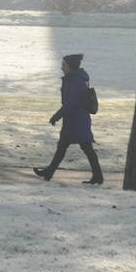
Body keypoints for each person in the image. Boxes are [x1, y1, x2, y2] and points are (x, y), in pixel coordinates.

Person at [34, 53, 103, 185]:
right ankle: (49, 172)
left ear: (70, 66)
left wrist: (56, 116)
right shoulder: (74, 79)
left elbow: (71, 103)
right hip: (74, 120)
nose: (62, 68)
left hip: (77, 121)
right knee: (65, 147)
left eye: (64, 65)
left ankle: (98, 176)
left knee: (85, 147)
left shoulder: (76, 82)